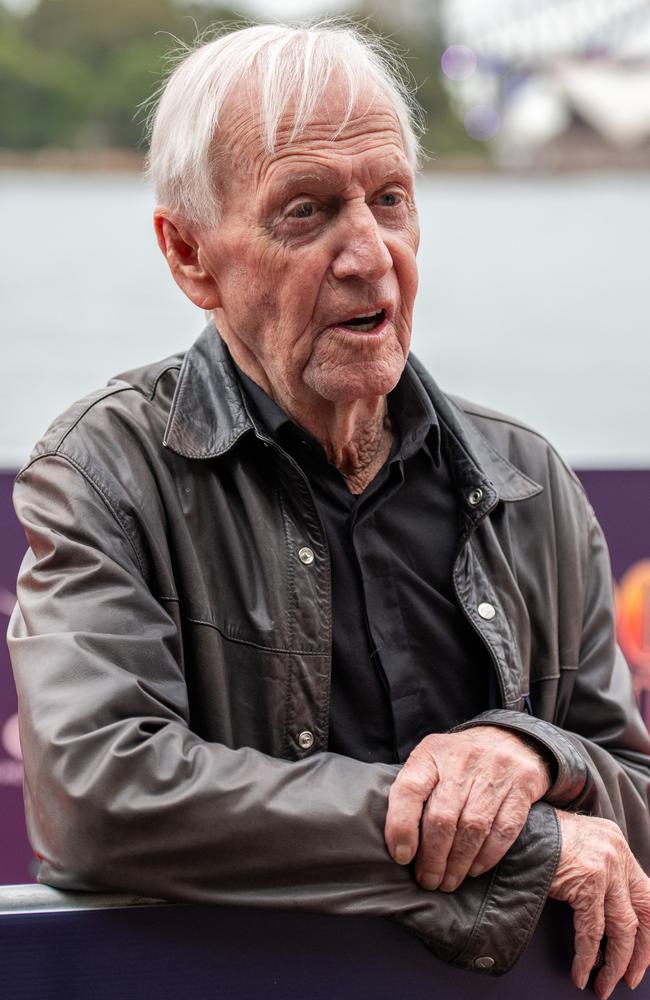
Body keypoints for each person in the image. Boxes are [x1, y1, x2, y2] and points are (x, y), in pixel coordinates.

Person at [8, 21, 650, 998]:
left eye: (388, 199)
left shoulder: (524, 477)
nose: (368, 254)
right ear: (189, 256)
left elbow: (630, 796)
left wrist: (524, 750)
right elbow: (102, 799)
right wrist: (505, 836)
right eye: (304, 212)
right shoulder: (105, 468)